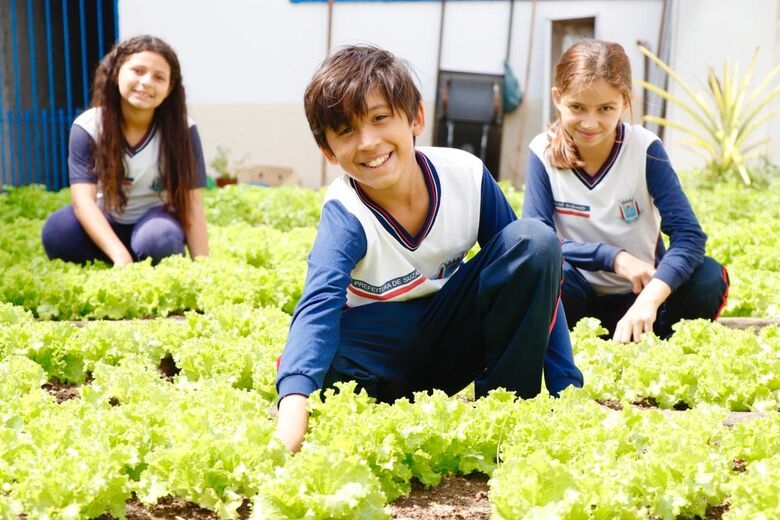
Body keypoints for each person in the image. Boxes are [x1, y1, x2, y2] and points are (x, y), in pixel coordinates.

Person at [275, 45, 583, 453]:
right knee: (324, 354)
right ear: (329, 151)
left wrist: (566, 386)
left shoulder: (466, 176)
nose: (368, 142)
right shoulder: (346, 211)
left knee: (535, 240)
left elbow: (534, 265)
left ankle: (506, 412)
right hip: (379, 357)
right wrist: (290, 423)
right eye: (346, 130)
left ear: (416, 117)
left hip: (451, 337)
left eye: (380, 118)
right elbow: (318, 305)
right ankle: (376, 410)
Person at [522, 39, 729, 344]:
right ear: (557, 98)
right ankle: (574, 344)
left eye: (605, 108)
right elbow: (538, 240)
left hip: (641, 299)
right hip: (577, 300)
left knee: (709, 277)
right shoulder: (541, 151)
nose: (590, 122)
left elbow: (689, 237)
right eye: (577, 107)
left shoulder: (644, 149)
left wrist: (649, 299)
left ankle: (659, 343)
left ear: (625, 101)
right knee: (542, 274)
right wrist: (613, 257)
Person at [42, 35, 209, 266]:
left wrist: (203, 268)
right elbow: (83, 202)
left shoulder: (183, 130)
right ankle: (117, 259)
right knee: (58, 231)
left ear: (169, 88)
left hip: (154, 221)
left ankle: (144, 263)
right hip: (105, 222)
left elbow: (191, 205)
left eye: (159, 77)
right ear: (117, 71)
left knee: (159, 238)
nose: (147, 82)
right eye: (138, 71)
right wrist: (121, 256)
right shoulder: (88, 126)